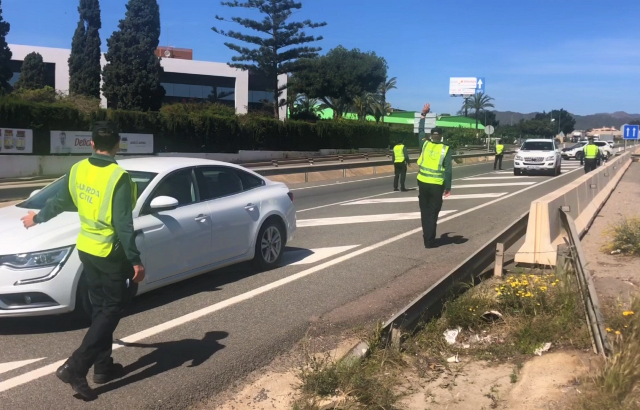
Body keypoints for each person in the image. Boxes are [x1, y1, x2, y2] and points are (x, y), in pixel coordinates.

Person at [20, 121, 145, 401]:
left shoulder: (78, 169)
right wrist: (135, 260)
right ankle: (77, 367)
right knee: (111, 310)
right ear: (117, 145)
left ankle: (103, 367)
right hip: (110, 253)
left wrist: (37, 217)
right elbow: (123, 224)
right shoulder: (119, 177)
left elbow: (61, 201)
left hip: (86, 249)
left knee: (100, 308)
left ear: (91, 144)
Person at [417, 103, 452, 249]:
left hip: (423, 183)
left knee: (425, 212)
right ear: (441, 136)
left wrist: (423, 115)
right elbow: (448, 170)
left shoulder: (424, 144)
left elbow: (420, 131)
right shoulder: (446, 149)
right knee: (433, 212)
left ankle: (427, 237)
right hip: (437, 185)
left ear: (431, 136)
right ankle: (430, 241)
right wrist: (448, 187)